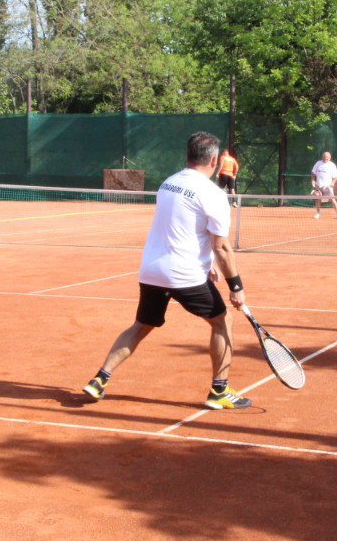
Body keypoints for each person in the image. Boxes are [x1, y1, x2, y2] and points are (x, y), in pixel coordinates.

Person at [82, 132, 251, 410]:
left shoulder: (168, 184)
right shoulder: (214, 195)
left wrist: (207, 263)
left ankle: (100, 378)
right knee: (223, 321)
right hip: (184, 274)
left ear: (187, 155)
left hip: (151, 270)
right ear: (214, 161)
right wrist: (236, 286)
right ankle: (219, 391)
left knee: (141, 325)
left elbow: (182, 228)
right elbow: (221, 247)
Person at [310, 151, 337, 219]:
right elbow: (313, 172)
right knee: (318, 199)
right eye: (324, 158)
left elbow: (336, 176)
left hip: (328, 186)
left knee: (332, 199)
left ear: (330, 158)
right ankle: (318, 213)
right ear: (322, 157)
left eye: (327, 158)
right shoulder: (318, 163)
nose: (325, 159)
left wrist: (333, 183)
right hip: (319, 185)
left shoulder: (332, 165)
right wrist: (312, 180)